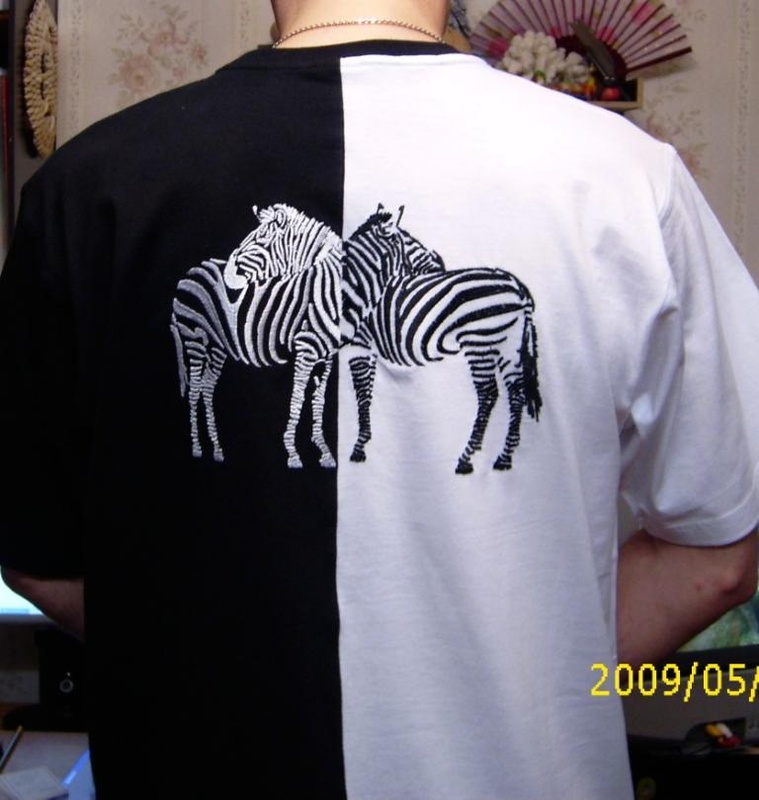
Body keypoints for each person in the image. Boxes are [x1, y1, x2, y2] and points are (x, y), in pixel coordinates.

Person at [0, 1, 757, 797]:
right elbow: (715, 563)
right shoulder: (626, 176)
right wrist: (538, 684)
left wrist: (206, 669)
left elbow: (40, 561)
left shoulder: (85, 185)